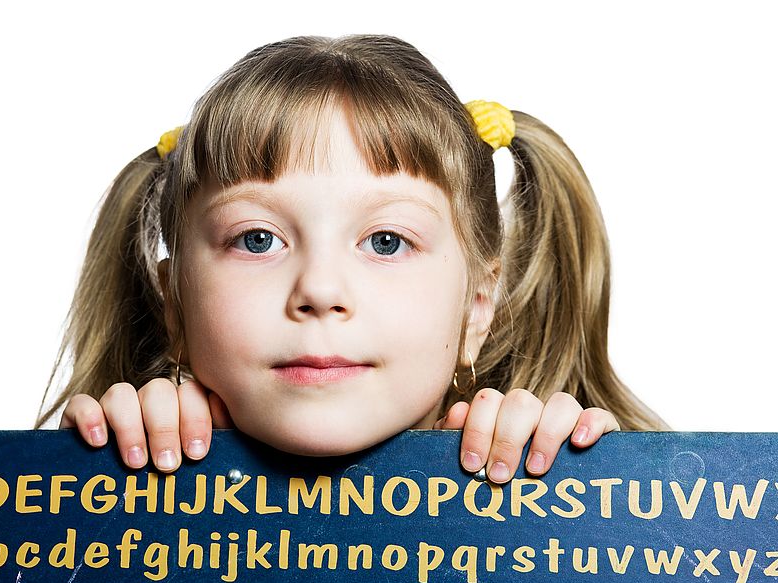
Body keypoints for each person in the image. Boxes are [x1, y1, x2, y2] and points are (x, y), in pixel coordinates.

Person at [34, 34, 670, 484]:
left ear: (478, 306)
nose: (320, 289)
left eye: (386, 242)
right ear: (174, 302)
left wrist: (590, 493)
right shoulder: (97, 483)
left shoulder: (569, 483)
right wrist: (95, 480)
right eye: (257, 239)